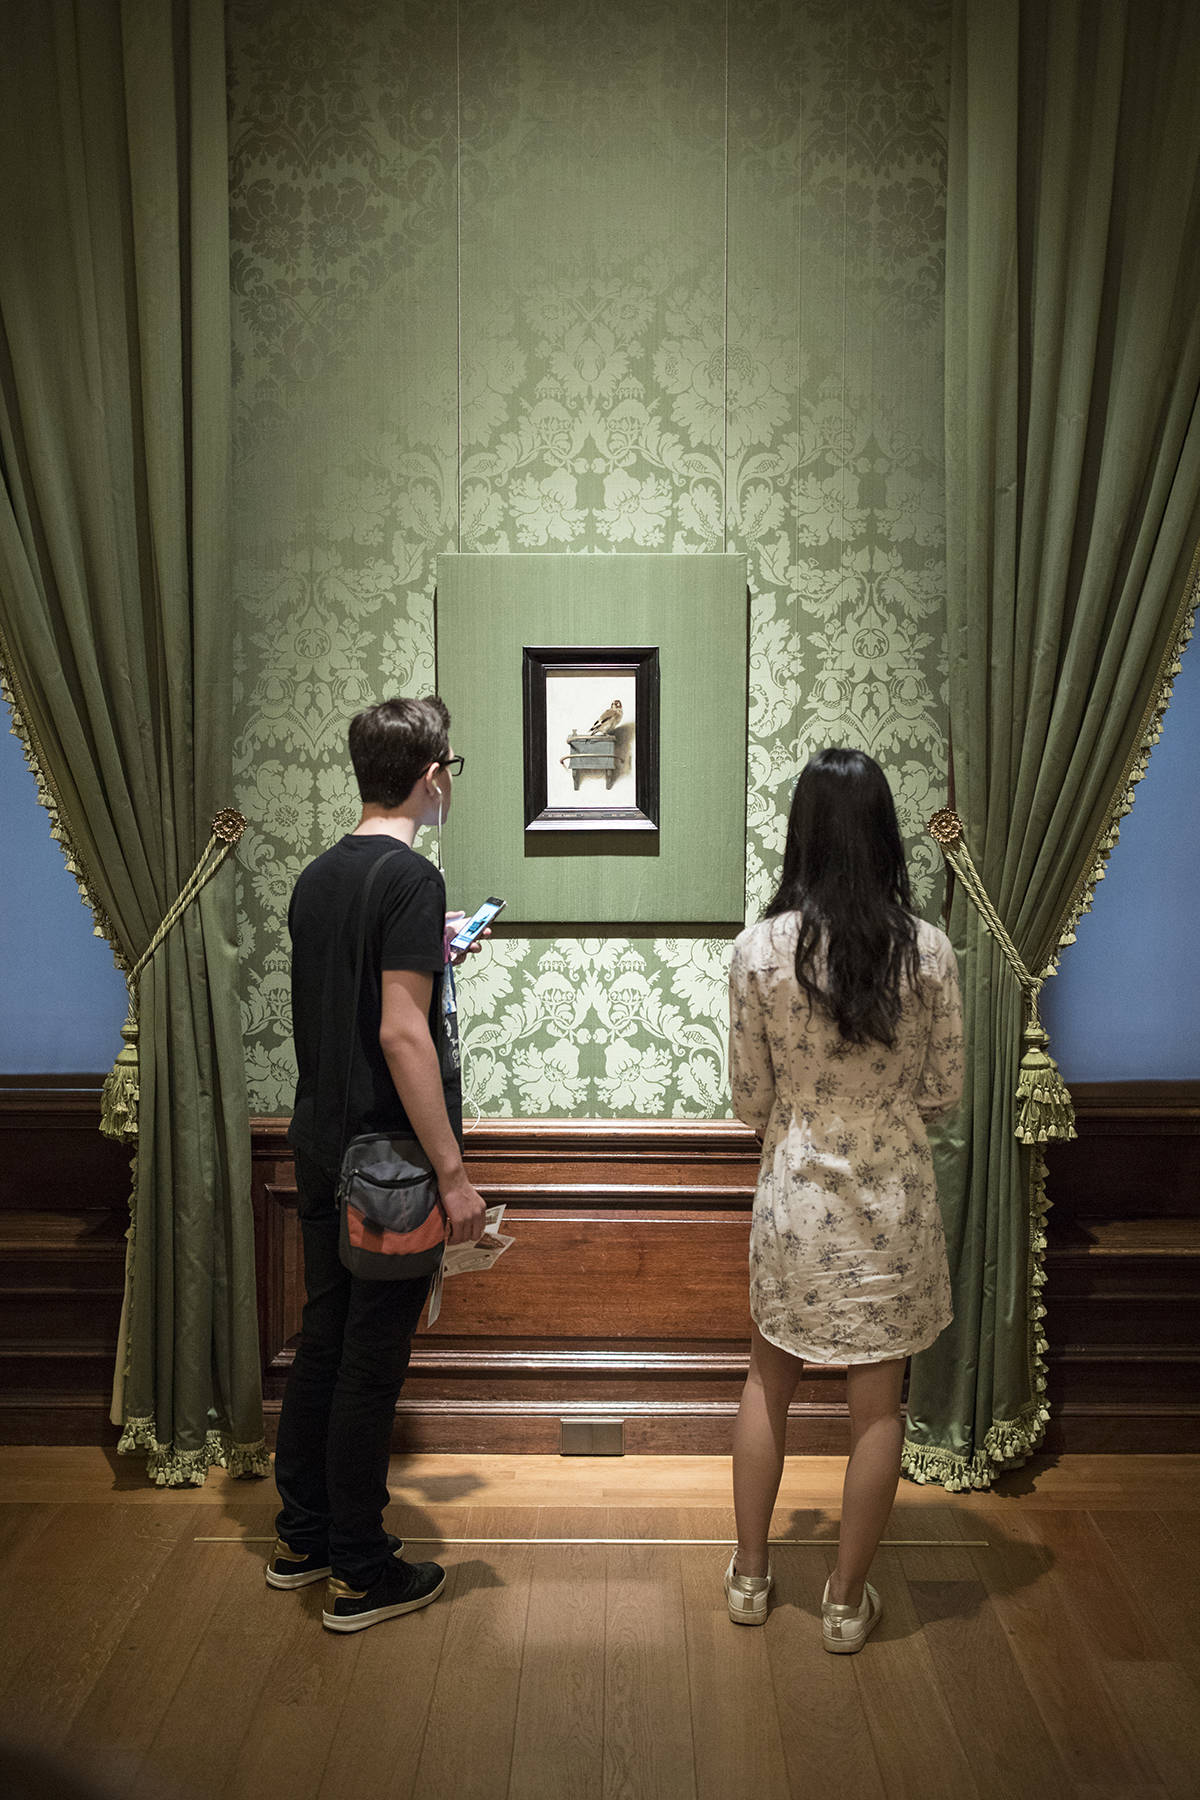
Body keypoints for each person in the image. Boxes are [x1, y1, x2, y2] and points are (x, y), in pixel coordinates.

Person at [725, 747, 963, 1651]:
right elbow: (943, 1092)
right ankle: (843, 1601)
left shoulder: (759, 950)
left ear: (803, 834)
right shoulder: (929, 950)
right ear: (885, 833)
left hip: (795, 1196)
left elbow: (750, 1098)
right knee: (878, 1411)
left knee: (765, 1382)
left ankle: (751, 1578)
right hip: (893, 1202)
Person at [267, 695, 488, 1633]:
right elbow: (402, 1034)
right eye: (454, 771)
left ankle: (304, 1538)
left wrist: (430, 958)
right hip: (387, 1160)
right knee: (369, 1363)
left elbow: (357, 1002)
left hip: (318, 1139)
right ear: (433, 773)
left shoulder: (319, 877)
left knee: (323, 1343)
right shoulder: (410, 879)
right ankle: (361, 1573)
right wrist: (453, 1174)